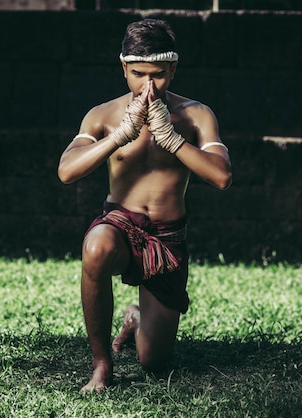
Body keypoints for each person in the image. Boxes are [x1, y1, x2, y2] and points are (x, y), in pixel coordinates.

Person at [57, 18, 232, 393]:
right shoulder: (103, 115)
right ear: (123, 68)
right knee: (95, 247)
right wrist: (119, 136)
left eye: (159, 75)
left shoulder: (196, 115)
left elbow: (221, 177)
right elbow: (66, 171)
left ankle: (135, 320)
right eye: (138, 74)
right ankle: (102, 366)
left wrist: (172, 139)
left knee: (154, 362)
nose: (148, 86)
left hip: (167, 240)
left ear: (173, 69)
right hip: (119, 227)